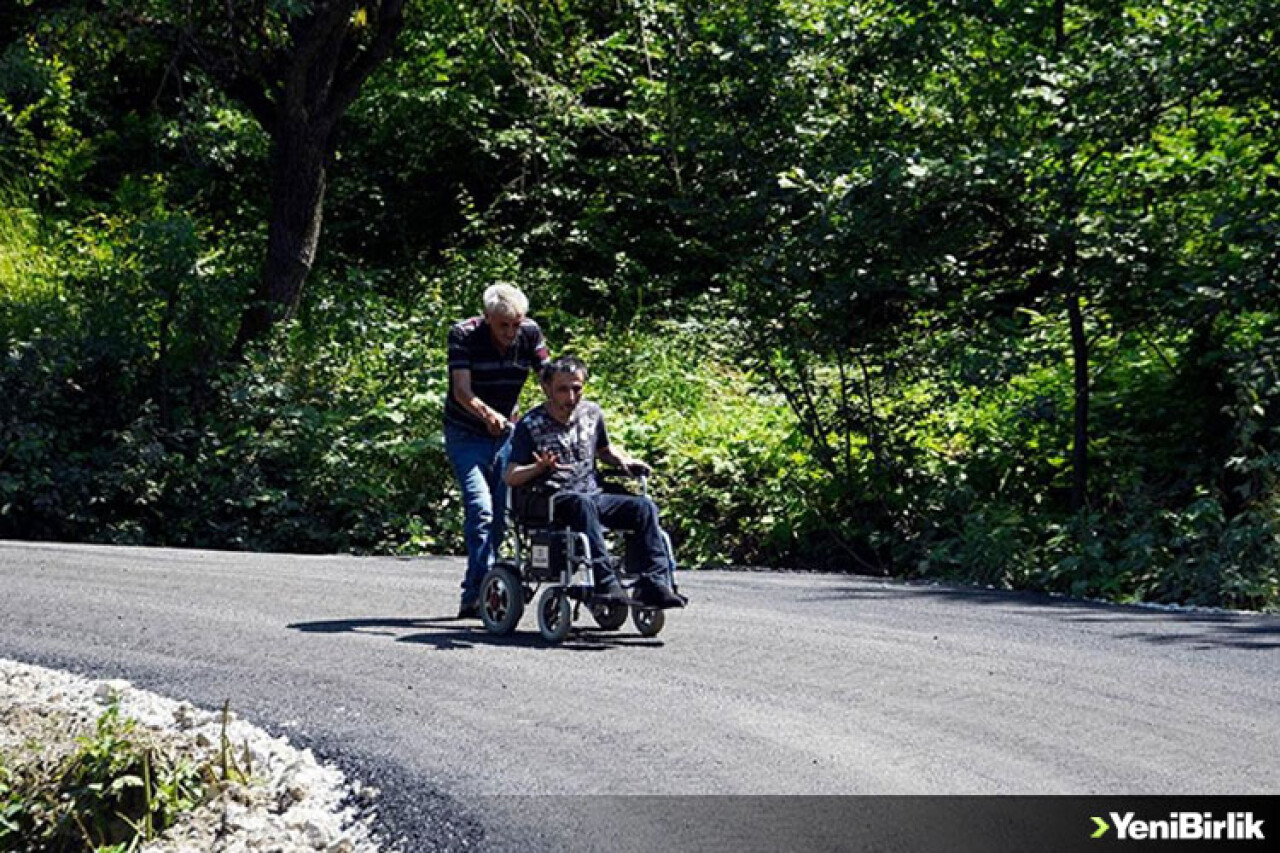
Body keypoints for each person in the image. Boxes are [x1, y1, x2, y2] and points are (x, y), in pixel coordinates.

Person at [504, 356, 686, 610]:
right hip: (552, 499)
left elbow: (604, 451)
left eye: (576, 388)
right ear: (546, 388)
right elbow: (511, 476)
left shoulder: (591, 413)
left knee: (643, 507)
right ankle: (605, 581)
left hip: (591, 492)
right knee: (582, 504)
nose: (571, 396)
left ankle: (655, 582)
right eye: (563, 389)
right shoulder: (530, 424)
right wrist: (539, 467)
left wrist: (626, 461)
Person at [445, 283, 550, 619]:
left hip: (507, 433)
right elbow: (461, 390)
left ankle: (480, 589)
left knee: (501, 521)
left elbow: (548, 375)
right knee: (481, 510)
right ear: (487, 318)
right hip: (466, 432)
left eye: (516, 324)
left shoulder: (530, 333)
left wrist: (566, 404)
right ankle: (479, 591)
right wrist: (487, 414)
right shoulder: (464, 334)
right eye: (503, 324)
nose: (510, 332)